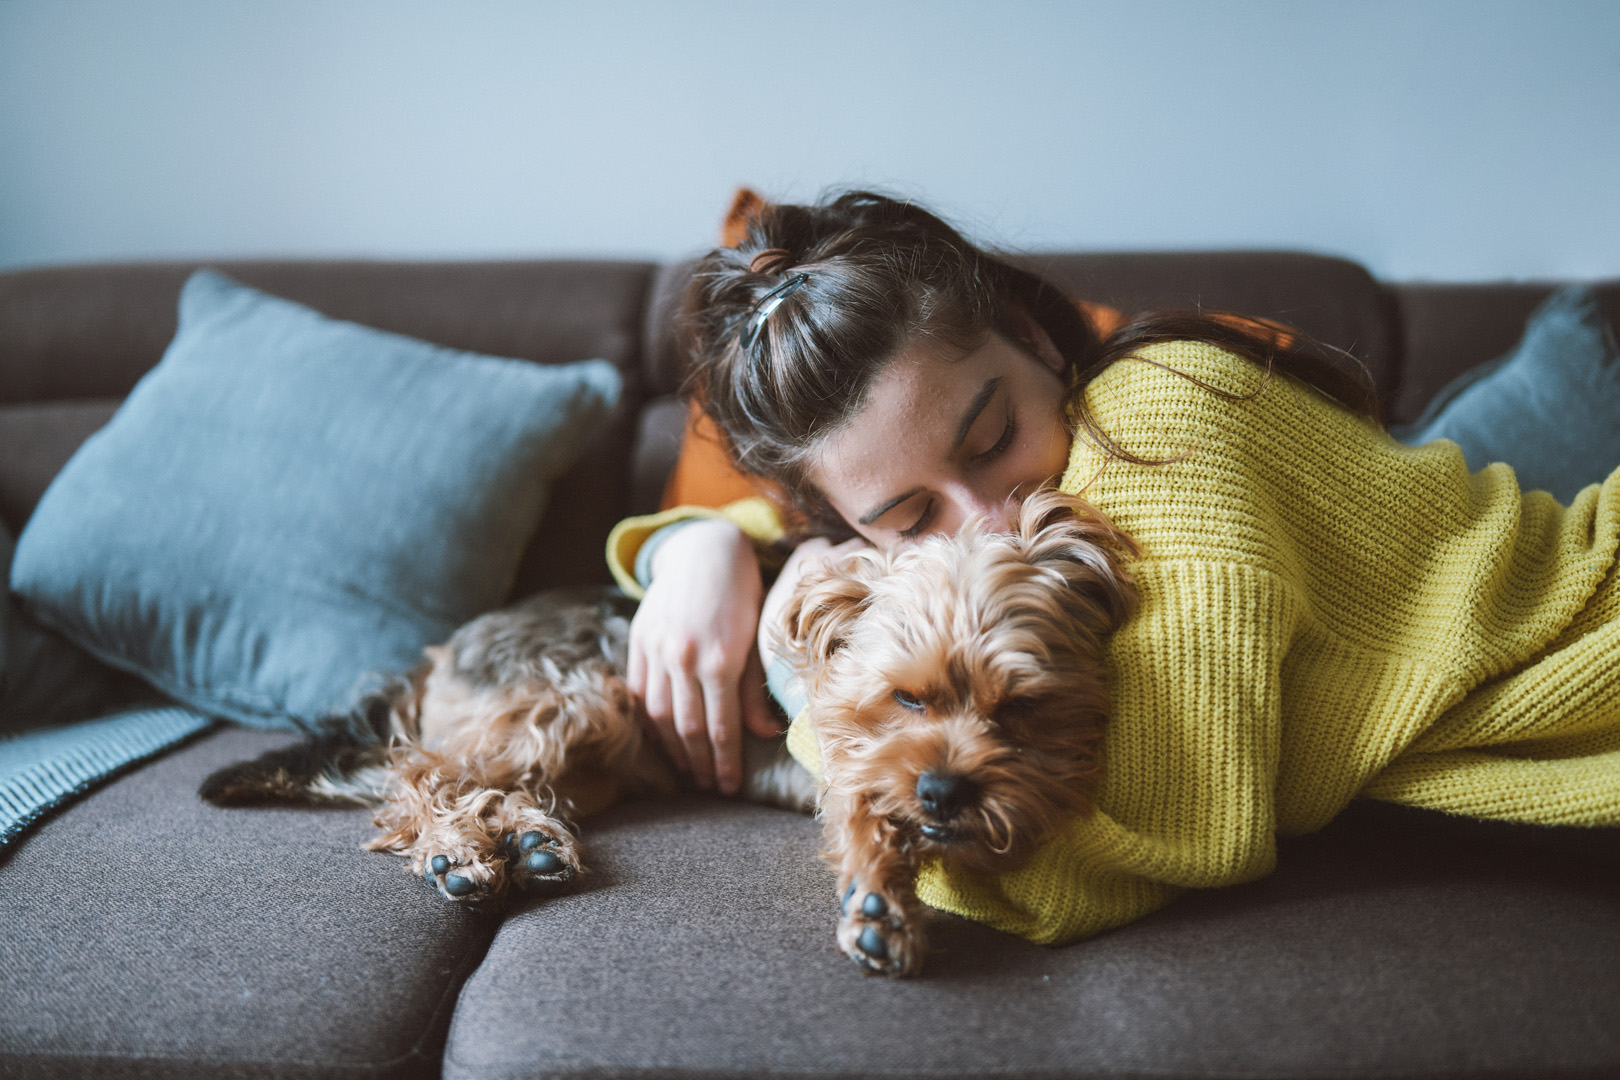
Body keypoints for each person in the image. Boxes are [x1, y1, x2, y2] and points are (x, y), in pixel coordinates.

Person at [606, 190, 1620, 944]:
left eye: (992, 437)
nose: (990, 527)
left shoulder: (1161, 418)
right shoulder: (1013, 509)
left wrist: (808, 689)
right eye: (913, 517)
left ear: (1038, 340)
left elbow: (1099, 868)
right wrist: (705, 541)